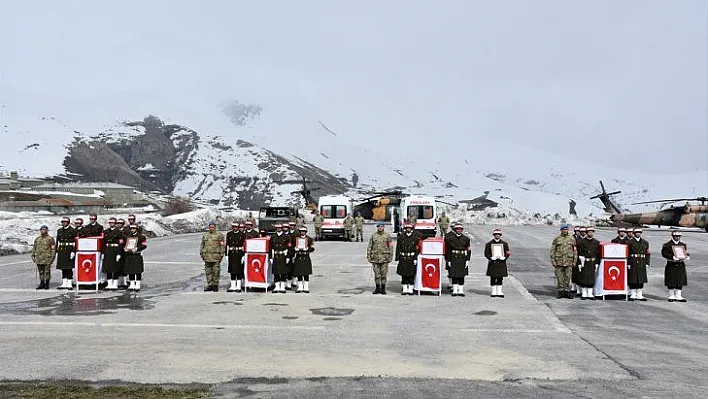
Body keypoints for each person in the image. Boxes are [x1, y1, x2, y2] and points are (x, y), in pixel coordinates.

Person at [550, 223, 577, 299]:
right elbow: (553, 250)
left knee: (567, 277)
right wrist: (553, 261)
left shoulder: (571, 238)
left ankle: (567, 291)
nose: (565, 231)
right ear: (561, 230)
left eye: (566, 229)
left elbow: (574, 250)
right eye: (563, 229)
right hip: (559, 261)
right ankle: (560, 291)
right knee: (559, 277)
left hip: (568, 261)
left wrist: (574, 261)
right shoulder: (557, 239)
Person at [661, 231, 689, 302]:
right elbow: (664, 254)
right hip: (671, 264)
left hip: (680, 264)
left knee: (680, 280)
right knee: (671, 280)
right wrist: (672, 257)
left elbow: (685, 252)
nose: (677, 237)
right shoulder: (667, 245)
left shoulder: (683, 245)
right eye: (676, 236)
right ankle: (671, 295)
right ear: (672, 236)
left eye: (679, 236)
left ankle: (678, 296)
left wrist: (687, 256)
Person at [445, 222, 471, 297]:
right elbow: (449, 250)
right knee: (454, 275)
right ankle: (455, 290)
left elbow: (469, 250)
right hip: (453, 258)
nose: (459, 230)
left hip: (462, 259)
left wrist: (467, 260)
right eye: (457, 229)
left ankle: (461, 291)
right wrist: (448, 260)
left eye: (460, 229)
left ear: (462, 230)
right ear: (455, 230)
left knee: (461, 276)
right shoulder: (450, 239)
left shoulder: (466, 239)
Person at [367, 222, 393, 294]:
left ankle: (383, 288)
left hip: (385, 258)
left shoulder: (387, 236)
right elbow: (370, 246)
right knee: (377, 275)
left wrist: (391, 256)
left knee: (384, 274)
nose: (380, 228)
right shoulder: (373, 236)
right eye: (379, 226)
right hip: (375, 258)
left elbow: (391, 246)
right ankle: (377, 288)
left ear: (384, 227)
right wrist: (368, 255)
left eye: (381, 226)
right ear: (377, 227)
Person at [484, 229, 510, 298]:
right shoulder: (489, 244)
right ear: (494, 235)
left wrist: (504, 258)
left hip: (501, 263)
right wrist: (490, 258)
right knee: (493, 277)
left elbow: (508, 252)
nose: (497, 235)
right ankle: (493, 291)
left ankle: (499, 291)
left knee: (500, 278)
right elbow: (486, 253)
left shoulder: (504, 244)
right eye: (496, 234)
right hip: (493, 263)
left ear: (500, 235)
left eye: (499, 234)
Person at [395, 223, 420, 295]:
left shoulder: (415, 237)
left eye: (409, 228)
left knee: (411, 274)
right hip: (403, 258)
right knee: (404, 274)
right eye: (407, 228)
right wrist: (397, 257)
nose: (408, 229)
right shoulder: (401, 237)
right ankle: (405, 289)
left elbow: (417, 249)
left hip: (412, 258)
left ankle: (410, 289)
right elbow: (398, 247)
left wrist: (415, 258)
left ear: (412, 229)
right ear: (405, 229)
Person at [200, 221, 225, 292]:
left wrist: (221, 254)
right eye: (210, 227)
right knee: (208, 272)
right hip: (207, 257)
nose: (211, 228)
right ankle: (210, 285)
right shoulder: (205, 235)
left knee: (216, 271)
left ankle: (215, 285)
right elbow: (202, 245)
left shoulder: (219, 235)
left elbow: (222, 246)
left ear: (215, 227)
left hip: (215, 257)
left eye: (212, 227)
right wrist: (201, 253)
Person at [627, 228, 650, 301]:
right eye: (637, 232)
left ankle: (639, 294)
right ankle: (633, 294)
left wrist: (647, 262)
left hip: (641, 261)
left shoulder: (645, 242)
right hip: (633, 261)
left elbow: (647, 253)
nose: (638, 234)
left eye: (640, 232)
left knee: (641, 279)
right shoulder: (629, 242)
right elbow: (627, 253)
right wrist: (628, 263)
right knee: (633, 278)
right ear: (634, 233)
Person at [577, 226, 600, 300]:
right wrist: (579, 263)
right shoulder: (582, 242)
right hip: (584, 261)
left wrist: (597, 263)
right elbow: (579, 253)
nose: (590, 233)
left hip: (592, 262)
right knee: (584, 277)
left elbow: (598, 254)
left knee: (591, 278)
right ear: (586, 233)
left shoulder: (596, 242)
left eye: (592, 232)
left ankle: (590, 293)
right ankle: (584, 293)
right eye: (589, 232)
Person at [102, 217, 124, 290]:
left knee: (115, 268)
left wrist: (119, 253)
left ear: (115, 223)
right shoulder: (106, 231)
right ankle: (109, 283)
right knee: (108, 268)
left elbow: (121, 244)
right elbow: (103, 243)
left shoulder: (119, 232)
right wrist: (103, 253)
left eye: (113, 222)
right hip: (108, 250)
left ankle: (115, 283)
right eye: (110, 222)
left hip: (115, 250)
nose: (111, 224)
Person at [269, 224, 292, 293]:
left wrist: (288, 257)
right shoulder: (273, 236)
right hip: (275, 256)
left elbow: (289, 248)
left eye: (280, 228)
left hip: (283, 256)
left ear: (282, 228)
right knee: (276, 272)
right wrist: (270, 257)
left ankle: (282, 287)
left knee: (283, 272)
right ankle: (277, 287)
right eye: (277, 228)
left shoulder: (286, 236)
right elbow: (270, 247)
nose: (278, 229)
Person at [124, 224, 147, 291]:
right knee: (130, 270)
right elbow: (126, 244)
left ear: (136, 229)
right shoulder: (128, 237)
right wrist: (125, 248)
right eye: (131, 228)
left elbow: (144, 245)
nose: (132, 230)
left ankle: (137, 283)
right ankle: (132, 283)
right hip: (130, 255)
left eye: (134, 228)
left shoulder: (141, 237)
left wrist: (137, 248)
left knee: (137, 270)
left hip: (137, 254)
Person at [32, 225, 56, 290]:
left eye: (44, 229)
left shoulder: (50, 239)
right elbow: (34, 247)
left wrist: (52, 257)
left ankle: (47, 284)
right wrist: (33, 255)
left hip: (47, 258)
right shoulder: (37, 239)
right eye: (41, 229)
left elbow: (53, 249)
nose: (42, 231)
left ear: (46, 230)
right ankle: (42, 283)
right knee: (41, 272)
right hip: (39, 258)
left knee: (47, 272)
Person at [291, 226, 315, 293]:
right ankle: (300, 287)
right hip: (298, 256)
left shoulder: (309, 239)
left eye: (304, 231)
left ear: (305, 232)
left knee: (306, 273)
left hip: (305, 256)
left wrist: (308, 249)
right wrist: (294, 249)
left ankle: (306, 287)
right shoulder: (296, 239)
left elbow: (312, 248)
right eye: (301, 231)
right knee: (299, 273)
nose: (302, 232)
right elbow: (292, 246)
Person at [55, 217, 76, 290]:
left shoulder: (73, 230)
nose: (63, 223)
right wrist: (56, 250)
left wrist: (73, 251)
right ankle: (64, 282)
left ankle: (69, 282)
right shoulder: (59, 231)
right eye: (62, 222)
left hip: (69, 250)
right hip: (62, 250)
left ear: (68, 222)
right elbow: (57, 241)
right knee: (63, 267)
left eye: (65, 222)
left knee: (69, 267)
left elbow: (75, 242)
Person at [226, 222, 246, 293]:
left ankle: (238, 286)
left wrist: (244, 255)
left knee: (239, 271)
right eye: (233, 227)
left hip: (239, 254)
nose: (235, 228)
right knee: (232, 271)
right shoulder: (229, 234)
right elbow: (227, 245)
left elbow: (244, 246)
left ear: (238, 227)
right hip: (231, 254)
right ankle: (233, 286)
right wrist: (226, 254)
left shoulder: (242, 234)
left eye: (236, 227)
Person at [571, 226, 586, 296]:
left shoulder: (586, 239)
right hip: (577, 257)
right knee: (575, 273)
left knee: (583, 274)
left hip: (585, 258)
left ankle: (583, 290)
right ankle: (577, 289)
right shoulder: (575, 239)